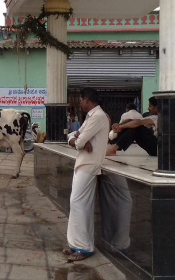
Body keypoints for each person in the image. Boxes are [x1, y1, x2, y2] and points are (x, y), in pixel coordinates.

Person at [63, 87, 110, 262]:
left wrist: (79, 141)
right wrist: (77, 140)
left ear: (86, 100)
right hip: (83, 164)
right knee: (77, 204)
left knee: (79, 204)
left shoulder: (98, 117)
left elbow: (79, 140)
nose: (80, 103)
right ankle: (76, 244)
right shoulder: (92, 116)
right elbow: (73, 137)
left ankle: (84, 247)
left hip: (89, 165)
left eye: (81, 100)